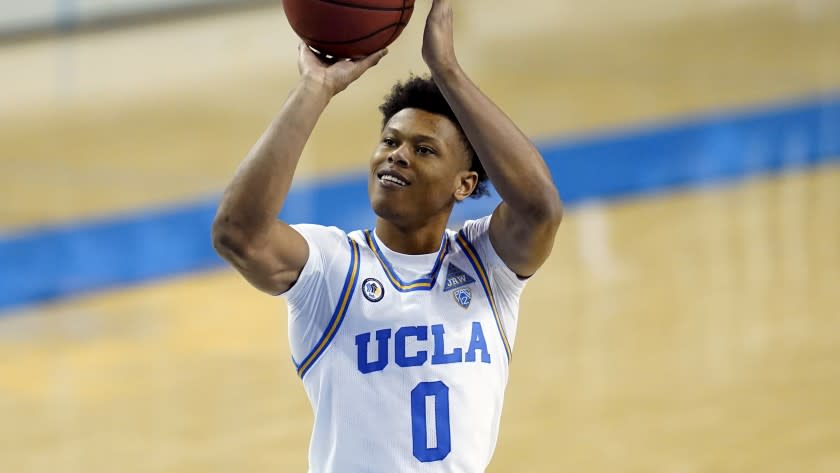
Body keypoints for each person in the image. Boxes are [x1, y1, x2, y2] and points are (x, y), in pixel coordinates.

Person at [211, 0, 562, 471]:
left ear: (465, 184)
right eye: (390, 141)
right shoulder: (333, 266)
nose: (397, 156)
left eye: (424, 149)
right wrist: (315, 87)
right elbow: (238, 234)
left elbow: (540, 207)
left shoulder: (486, 267)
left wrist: (448, 70)